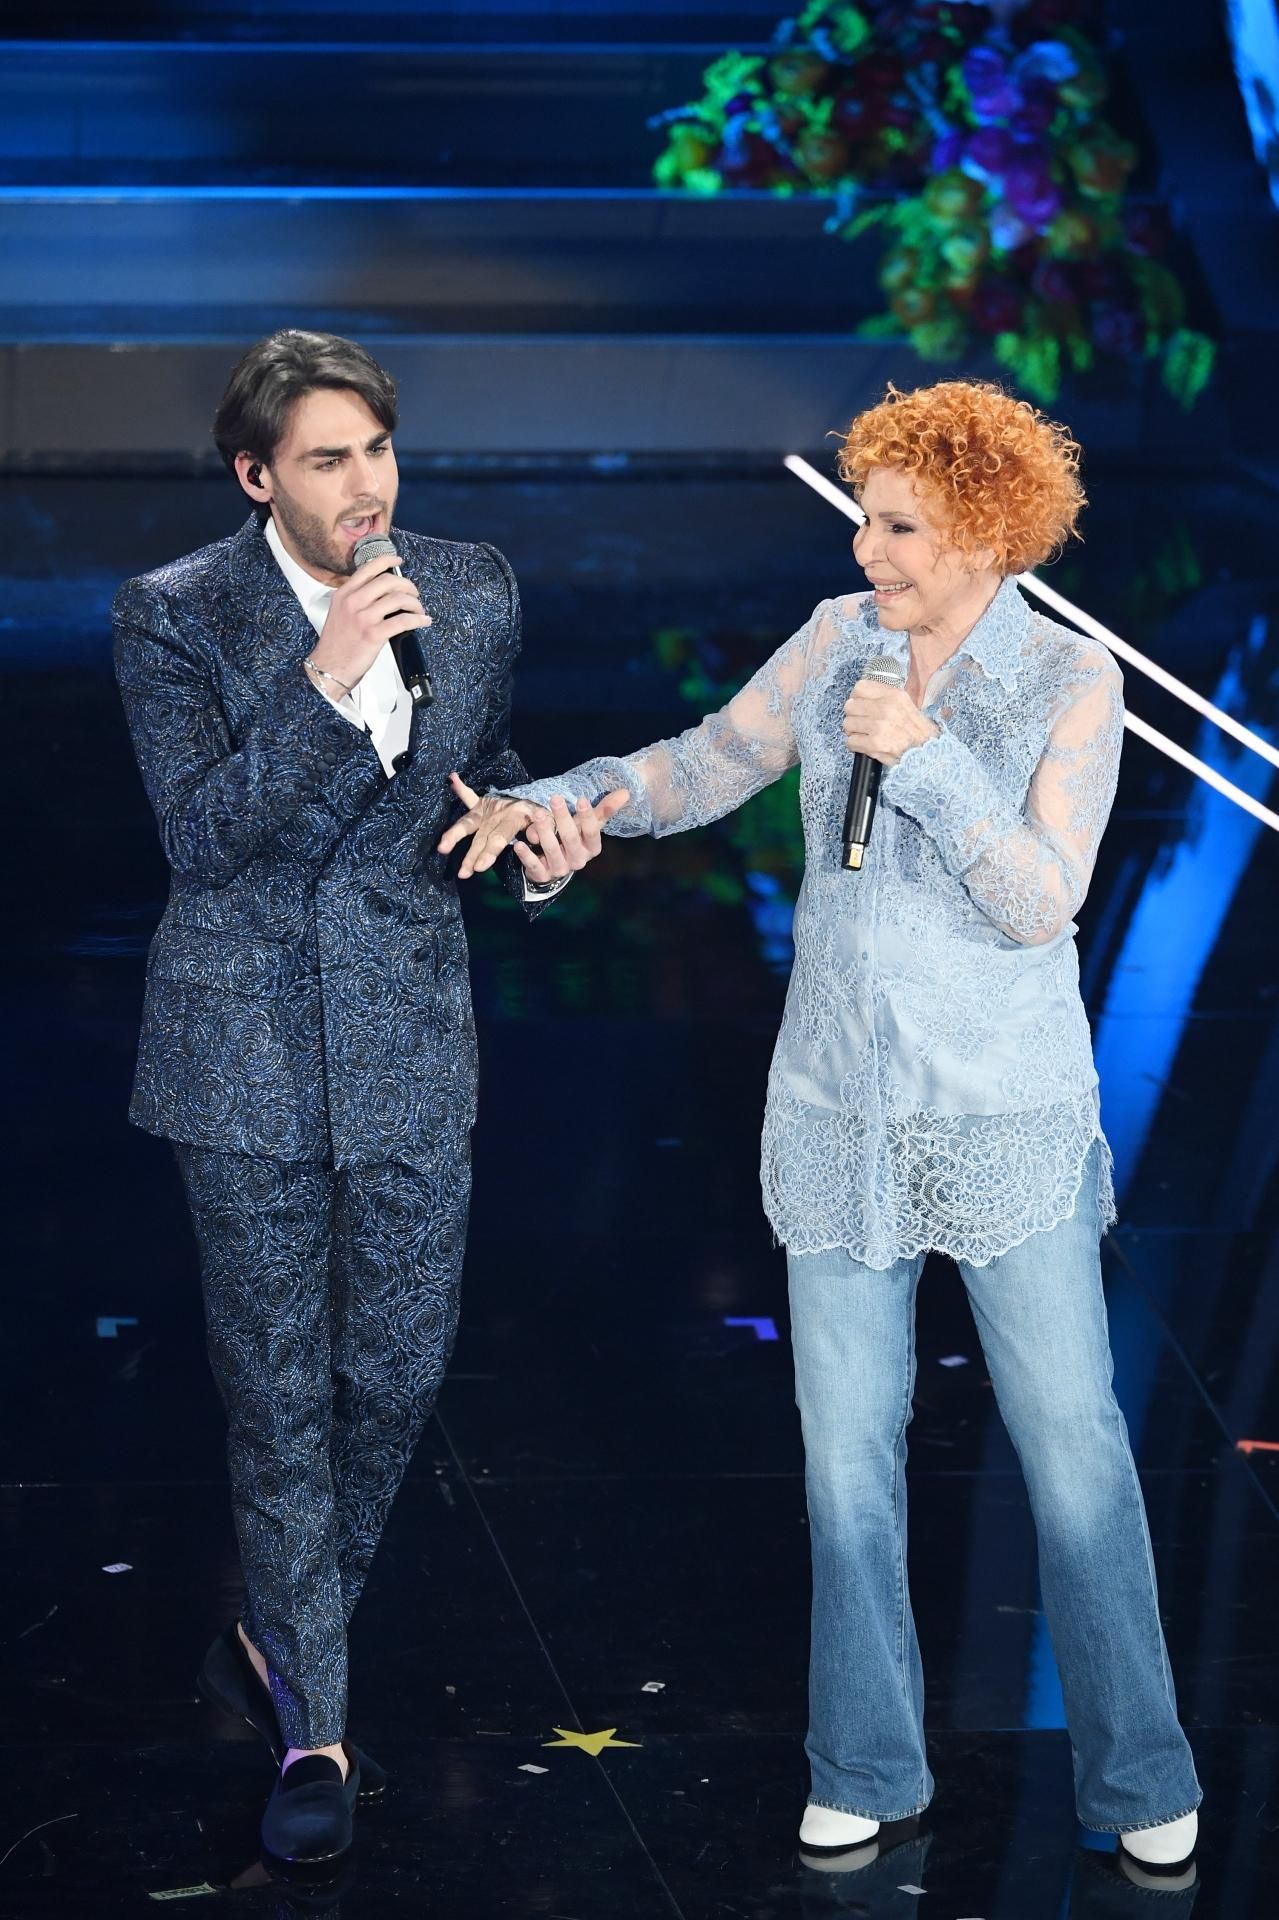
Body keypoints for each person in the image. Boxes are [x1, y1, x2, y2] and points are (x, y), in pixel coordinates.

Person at [439, 380, 1203, 1877]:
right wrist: (568, 803)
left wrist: (923, 755)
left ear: (985, 530)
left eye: (901, 528)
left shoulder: (1068, 677)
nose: (869, 552)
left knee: (1073, 1451)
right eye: (867, 521)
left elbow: (1042, 901)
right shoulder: (836, 637)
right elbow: (706, 762)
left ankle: (1139, 1774)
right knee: (847, 1461)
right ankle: (865, 1762)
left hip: (1001, 1115)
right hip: (837, 1112)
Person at [112, 329, 624, 1866]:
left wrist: (533, 835)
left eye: (378, 451)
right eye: (327, 460)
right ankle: (315, 1729)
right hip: (244, 1050)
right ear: (257, 477)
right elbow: (204, 840)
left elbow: (484, 770)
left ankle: (273, 1640)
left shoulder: (471, 586)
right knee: (277, 1391)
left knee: (396, 1374)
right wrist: (325, 686)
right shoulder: (173, 613)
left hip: (408, 1030)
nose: (366, 487)